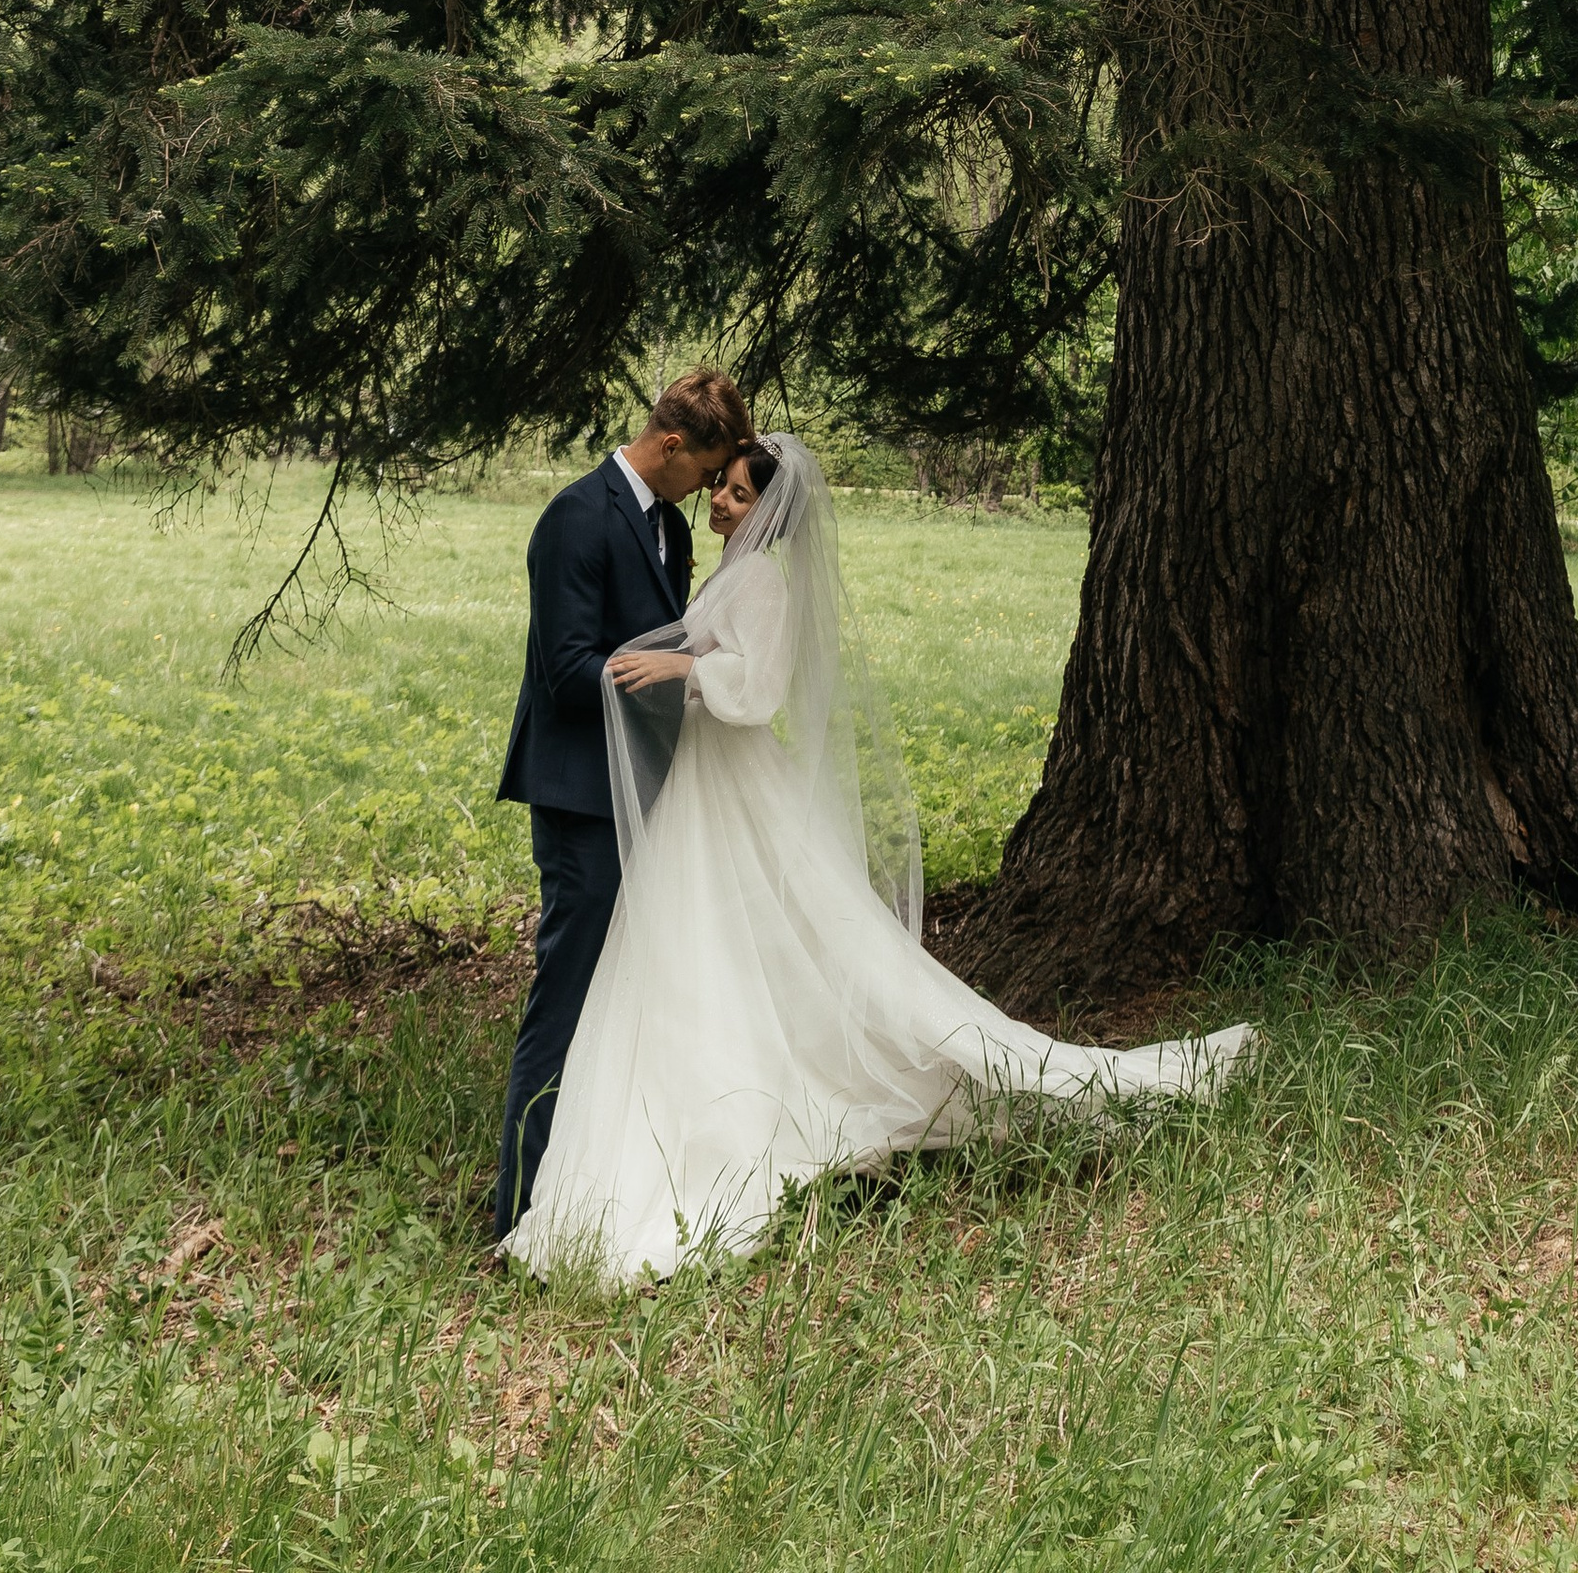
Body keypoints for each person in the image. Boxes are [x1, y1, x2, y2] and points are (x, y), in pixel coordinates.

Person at [503, 432, 1251, 1286]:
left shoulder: (759, 582)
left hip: (724, 775)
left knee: (736, 938)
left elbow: (759, 686)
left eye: (739, 494)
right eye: (722, 488)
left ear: (769, 512)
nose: (718, 500)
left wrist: (686, 667)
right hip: (700, 785)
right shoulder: (729, 570)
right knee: (703, 944)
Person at [491, 369, 753, 1240]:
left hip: (641, 790)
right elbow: (564, 668)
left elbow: (667, 639)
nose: (711, 490)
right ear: (671, 445)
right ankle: (519, 1203)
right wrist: (662, 679)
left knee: (620, 993)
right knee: (567, 989)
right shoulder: (577, 515)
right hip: (578, 794)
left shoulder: (670, 531)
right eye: (707, 470)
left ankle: (590, 1180)